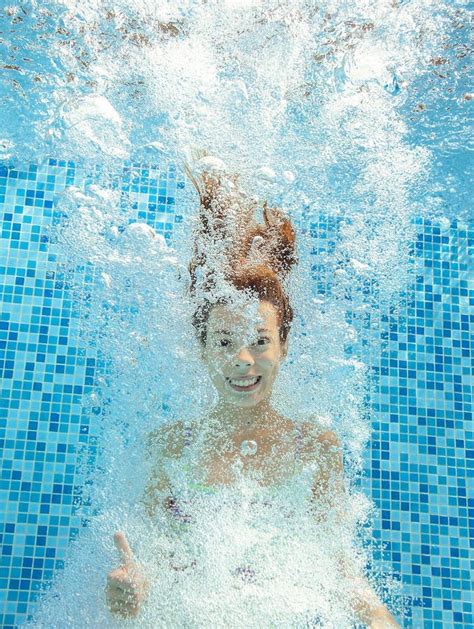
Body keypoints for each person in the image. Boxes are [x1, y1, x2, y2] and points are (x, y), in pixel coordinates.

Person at [104, 163, 401, 628]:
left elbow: (342, 571)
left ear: (284, 345)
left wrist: (380, 618)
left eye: (259, 341)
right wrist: (133, 588)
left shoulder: (318, 452)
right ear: (201, 350)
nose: (243, 359)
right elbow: (151, 561)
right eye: (224, 342)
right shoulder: (169, 449)